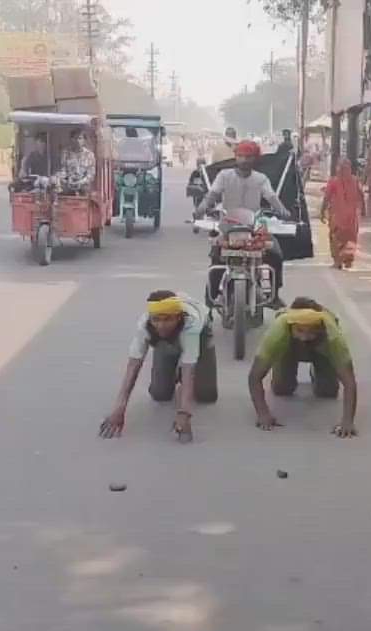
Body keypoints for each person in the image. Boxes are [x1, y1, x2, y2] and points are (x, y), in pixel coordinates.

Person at [100, 291, 217, 443]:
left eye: (168, 319)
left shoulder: (191, 324)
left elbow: (189, 369)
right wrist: (119, 408)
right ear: (151, 318)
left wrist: (184, 413)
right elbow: (133, 365)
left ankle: (177, 372)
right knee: (160, 394)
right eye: (156, 320)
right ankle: (170, 368)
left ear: (179, 317)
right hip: (164, 340)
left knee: (206, 396)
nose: (161, 325)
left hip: (200, 334)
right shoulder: (145, 325)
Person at [193, 140, 292, 306]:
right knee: (217, 258)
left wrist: (282, 210)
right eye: (241, 156)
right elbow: (212, 196)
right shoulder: (224, 176)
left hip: (254, 226)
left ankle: (274, 295)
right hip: (228, 226)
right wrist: (200, 210)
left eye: (248, 157)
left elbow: (271, 197)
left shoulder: (261, 179)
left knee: (275, 255)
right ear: (235, 157)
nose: (244, 160)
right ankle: (209, 302)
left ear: (255, 159)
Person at [248, 297, 359, 438]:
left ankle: (318, 370)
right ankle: (285, 367)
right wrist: (263, 414)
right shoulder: (277, 332)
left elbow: (349, 382)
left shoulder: (333, 336)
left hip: (322, 350)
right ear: (290, 325)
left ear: (321, 327)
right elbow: (254, 377)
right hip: (288, 348)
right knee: (282, 389)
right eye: (300, 330)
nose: (305, 337)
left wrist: (348, 421)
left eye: (311, 331)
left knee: (327, 392)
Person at [321, 159, 364, 270]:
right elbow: (361, 196)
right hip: (351, 218)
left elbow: (326, 197)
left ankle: (338, 261)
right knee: (350, 239)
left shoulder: (334, 181)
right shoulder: (355, 180)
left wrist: (322, 211)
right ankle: (347, 261)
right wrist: (363, 211)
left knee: (337, 239)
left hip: (338, 217)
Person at [58, 129, 95, 194]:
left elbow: (91, 174)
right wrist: (66, 180)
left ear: (84, 140)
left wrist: (81, 182)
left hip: (83, 188)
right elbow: (63, 170)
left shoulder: (89, 155)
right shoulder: (66, 153)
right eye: (75, 138)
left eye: (80, 138)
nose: (77, 141)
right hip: (68, 186)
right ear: (71, 139)